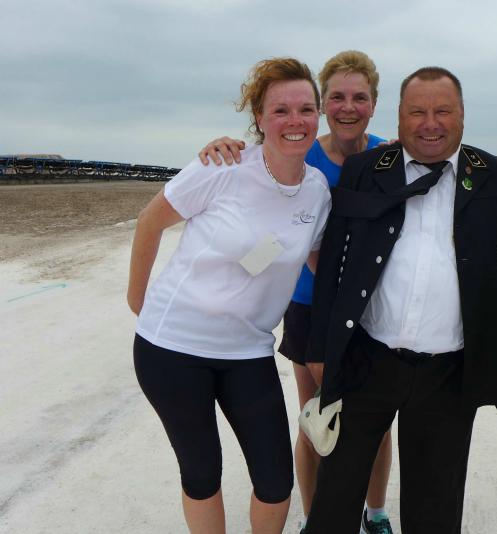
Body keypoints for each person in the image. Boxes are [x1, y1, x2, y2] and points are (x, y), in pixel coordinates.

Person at [302, 66, 497, 534]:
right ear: (399, 116)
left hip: (449, 373)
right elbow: (332, 268)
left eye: (443, 111)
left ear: (462, 115)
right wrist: (320, 349)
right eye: (417, 112)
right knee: (335, 499)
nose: (430, 124)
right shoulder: (365, 170)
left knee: (435, 511)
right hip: (366, 361)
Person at [127, 57, 330, 534]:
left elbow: (319, 265)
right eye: (280, 110)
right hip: (173, 350)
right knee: (202, 474)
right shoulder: (222, 166)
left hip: (248, 350)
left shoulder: (317, 191)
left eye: (306, 109)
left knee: (275, 481)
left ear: (317, 115)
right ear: (259, 117)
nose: (295, 120)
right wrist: (140, 304)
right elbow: (150, 221)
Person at [198, 50, 395, 534]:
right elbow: (253, 164)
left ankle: (376, 513)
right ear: (323, 104)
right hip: (310, 306)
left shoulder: (390, 157)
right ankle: (313, 518)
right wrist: (222, 146)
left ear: (374, 103)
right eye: (337, 97)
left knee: (375, 424)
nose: (348, 107)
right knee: (314, 421)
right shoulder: (301, 151)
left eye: (360, 97)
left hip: (374, 311)